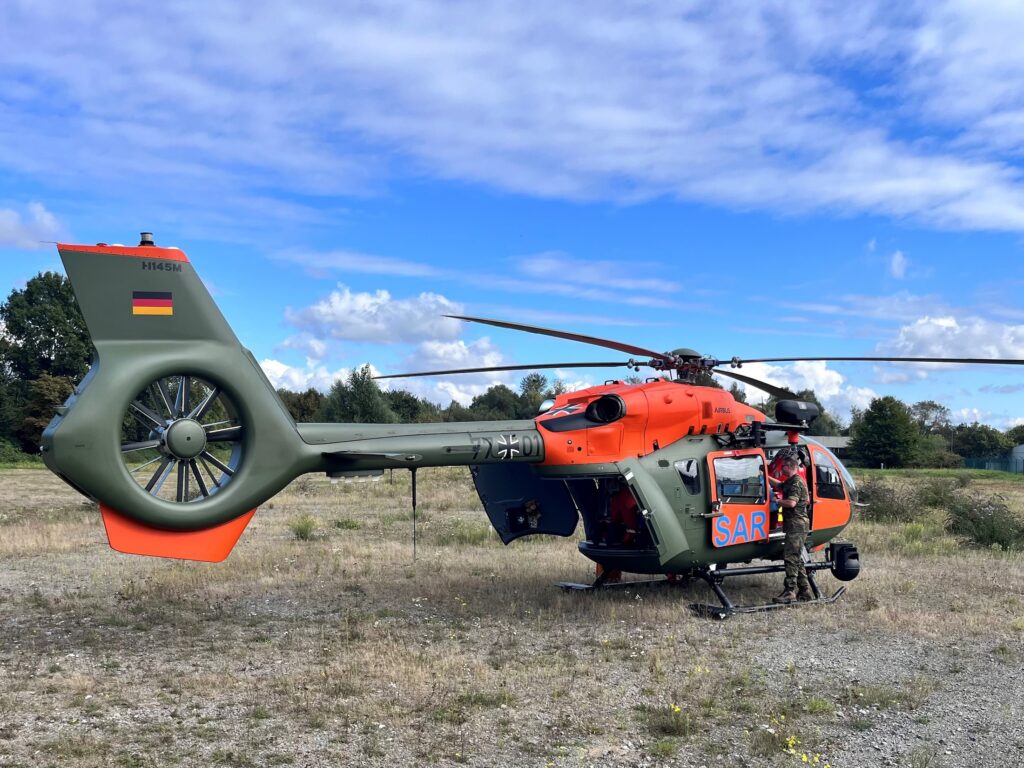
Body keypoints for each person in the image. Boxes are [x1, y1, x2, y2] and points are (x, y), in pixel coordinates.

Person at [772, 455, 812, 604]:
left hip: (797, 525)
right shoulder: (791, 481)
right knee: (797, 559)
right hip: (796, 525)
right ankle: (804, 591)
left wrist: (777, 501)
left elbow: (791, 503)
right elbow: (780, 486)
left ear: (789, 466)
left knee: (790, 557)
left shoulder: (796, 483)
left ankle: (789, 591)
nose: (781, 469)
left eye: (783, 466)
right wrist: (765, 474)